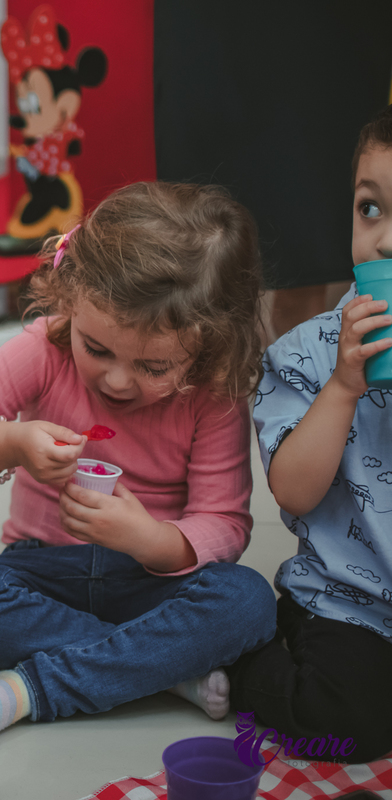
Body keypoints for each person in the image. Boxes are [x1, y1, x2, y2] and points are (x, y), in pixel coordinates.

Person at [0, 182, 278, 752]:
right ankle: (165, 668)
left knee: (248, 602)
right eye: (98, 348)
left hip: (154, 583)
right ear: (70, 301)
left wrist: (149, 539)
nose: (117, 380)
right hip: (44, 571)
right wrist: (9, 442)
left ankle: (34, 689)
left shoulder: (212, 393)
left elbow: (225, 523)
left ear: (209, 347)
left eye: (154, 366)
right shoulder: (46, 348)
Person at [227, 105, 392, 764]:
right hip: (348, 605)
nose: (382, 241)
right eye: (370, 209)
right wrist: (344, 389)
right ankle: (242, 662)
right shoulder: (305, 355)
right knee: (349, 725)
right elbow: (293, 492)